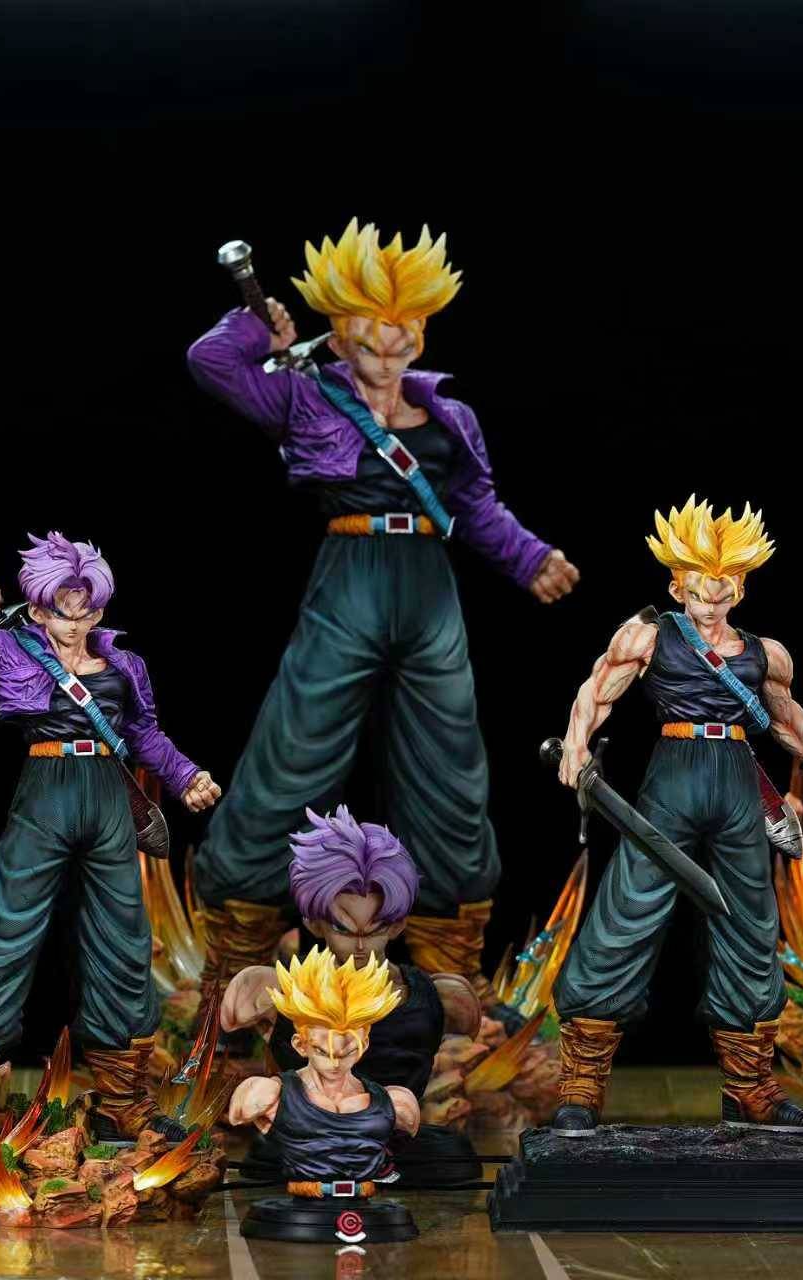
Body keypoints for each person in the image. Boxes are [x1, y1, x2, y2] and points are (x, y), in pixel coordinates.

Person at [186, 220, 579, 1000]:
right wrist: (257, 330)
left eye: (407, 325)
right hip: (351, 576)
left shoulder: (447, 415)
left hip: (428, 587)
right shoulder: (304, 393)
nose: (391, 343)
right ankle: (236, 956)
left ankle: (450, 963)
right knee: (294, 750)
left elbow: (474, 505)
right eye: (372, 325)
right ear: (339, 330)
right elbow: (209, 363)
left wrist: (529, 557)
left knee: (449, 763)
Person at [0, 531, 219, 1157]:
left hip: (107, 796)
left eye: (86, 610)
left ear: (99, 611)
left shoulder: (124, 666)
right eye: (61, 610)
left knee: (121, 936)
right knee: (2, 928)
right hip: (46, 792)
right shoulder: (9, 648)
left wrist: (186, 775)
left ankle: (123, 1103)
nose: (74, 622)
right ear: (38, 607)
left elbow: (145, 735)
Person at [549, 499, 803, 1137]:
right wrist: (574, 745)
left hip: (738, 781)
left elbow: (785, 714)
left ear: (740, 587)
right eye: (699, 587)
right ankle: (582, 1080)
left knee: (750, 922)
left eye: (723, 587)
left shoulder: (764, 652)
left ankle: (749, 1084)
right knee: (627, 911)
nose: (711, 600)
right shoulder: (650, 634)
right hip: (674, 776)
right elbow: (598, 689)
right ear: (676, 585)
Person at [217, 806, 481, 1181]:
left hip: (391, 1138)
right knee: (270, 1155)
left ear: (397, 925)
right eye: (344, 929)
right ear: (314, 923)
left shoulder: (440, 996)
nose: (360, 946)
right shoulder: (273, 989)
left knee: (452, 1156)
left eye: (374, 929)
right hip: (304, 1136)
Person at [228, 948, 422, 1199]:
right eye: (322, 1051)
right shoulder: (266, 1095)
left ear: (364, 1045)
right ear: (300, 1045)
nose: (335, 1063)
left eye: (348, 1052)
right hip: (303, 1203)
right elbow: (237, 1118)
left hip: (364, 1202)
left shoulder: (397, 1103)